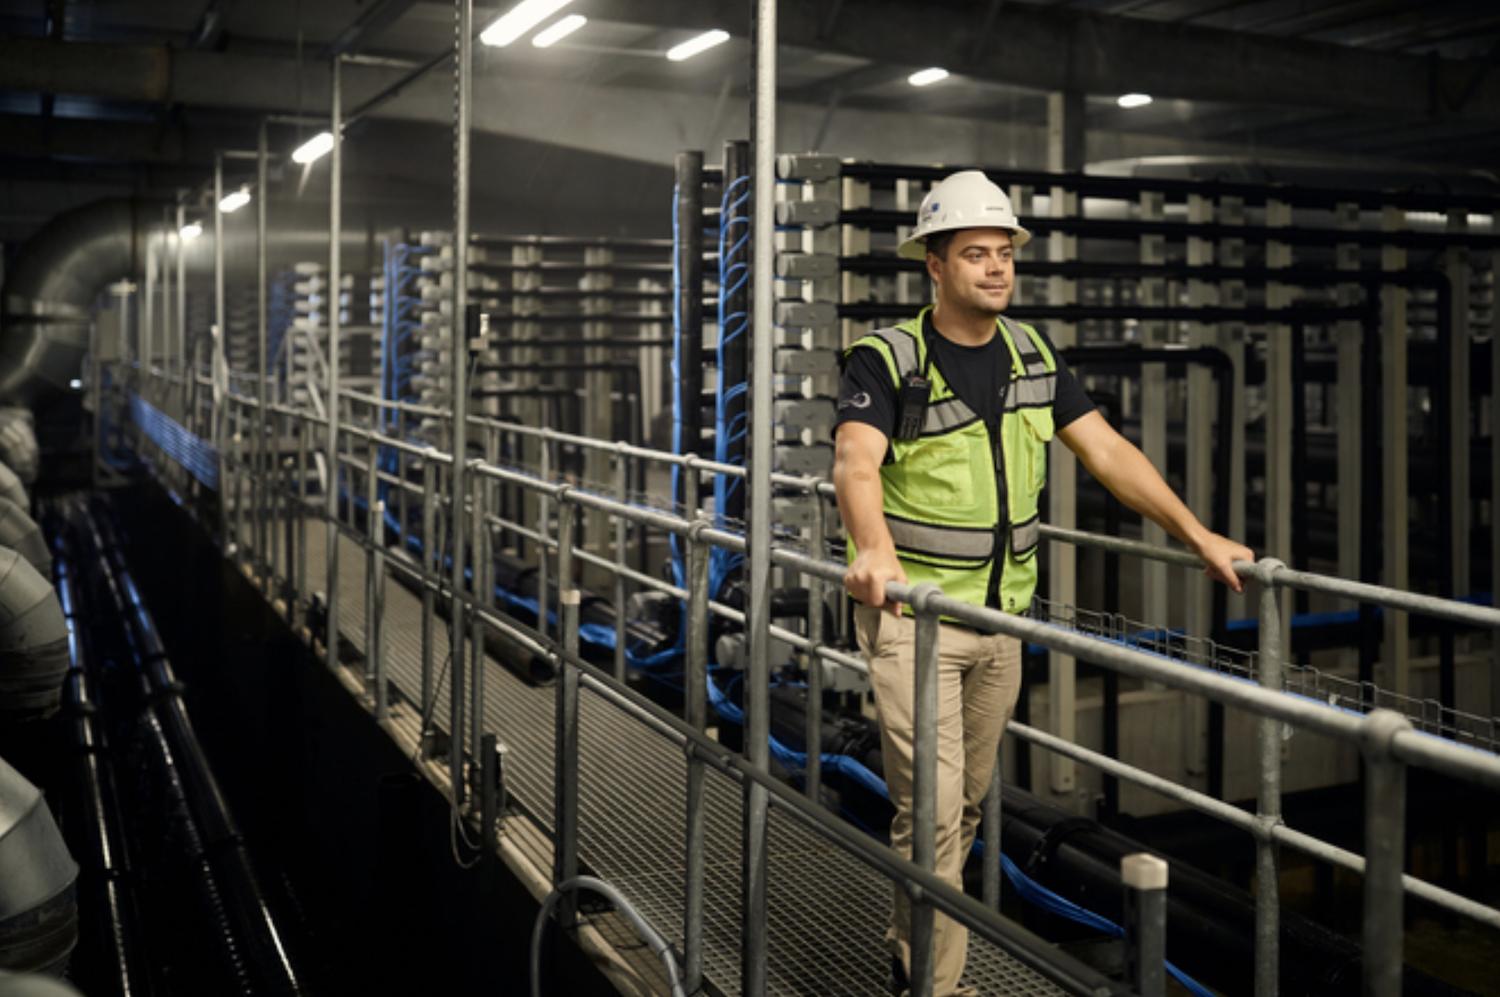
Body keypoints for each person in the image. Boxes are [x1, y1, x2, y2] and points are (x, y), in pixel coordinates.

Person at [832, 170, 1253, 997]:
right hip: (919, 618)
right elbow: (856, 462)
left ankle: (911, 951)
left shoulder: (1031, 354)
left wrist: (1197, 535)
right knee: (934, 815)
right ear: (934, 265)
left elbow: (1108, 454)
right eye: (975, 253)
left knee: (967, 809)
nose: (996, 268)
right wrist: (872, 547)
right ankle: (933, 987)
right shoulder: (889, 358)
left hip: (1004, 623)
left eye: (1004, 253)